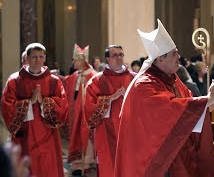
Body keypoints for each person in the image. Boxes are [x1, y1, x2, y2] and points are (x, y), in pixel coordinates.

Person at [114, 19, 214, 177]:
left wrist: (208, 102)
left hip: (177, 155)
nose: (179, 57)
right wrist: (206, 101)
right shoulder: (143, 84)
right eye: (174, 53)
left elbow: (188, 103)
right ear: (160, 59)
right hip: (155, 160)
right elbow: (169, 108)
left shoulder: (173, 78)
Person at [1, 43, 68, 176]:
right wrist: (29, 102)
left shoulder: (54, 81)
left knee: (47, 167)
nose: (38, 60)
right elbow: (6, 106)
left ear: (44, 58)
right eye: (34, 57)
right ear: (27, 58)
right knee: (28, 167)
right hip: (25, 135)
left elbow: (63, 105)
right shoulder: (15, 80)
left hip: (48, 134)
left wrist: (44, 101)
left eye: (41, 57)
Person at [84, 45, 134, 177]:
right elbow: (89, 110)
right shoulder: (96, 80)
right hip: (105, 133)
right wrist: (110, 99)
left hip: (130, 133)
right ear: (107, 59)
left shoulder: (135, 79)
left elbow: (145, 105)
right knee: (109, 169)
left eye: (121, 54)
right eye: (114, 55)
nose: (119, 58)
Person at [65, 44, 96, 176]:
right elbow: (66, 84)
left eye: (75, 59)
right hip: (75, 113)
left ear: (83, 60)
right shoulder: (75, 75)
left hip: (85, 113)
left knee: (86, 136)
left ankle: (87, 163)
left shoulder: (92, 75)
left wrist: (85, 84)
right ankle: (77, 162)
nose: (73, 62)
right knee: (76, 135)